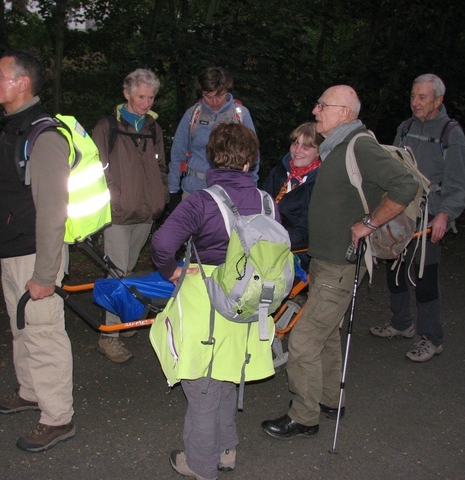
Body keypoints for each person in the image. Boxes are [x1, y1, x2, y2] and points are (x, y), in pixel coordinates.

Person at [261, 85, 419, 439]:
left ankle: (304, 417)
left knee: (302, 341)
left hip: (340, 265)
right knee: (329, 332)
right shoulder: (335, 147)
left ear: (345, 112)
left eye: (323, 105)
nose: (315, 111)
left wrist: (370, 223)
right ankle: (330, 400)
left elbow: (404, 186)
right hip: (324, 260)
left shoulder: (359, 145)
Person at [151, 123, 279, 480]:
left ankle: (201, 465)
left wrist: (173, 272)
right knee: (226, 377)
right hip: (248, 308)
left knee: (203, 389)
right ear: (249, 161)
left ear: (212, 157)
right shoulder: (268, 202)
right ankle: (226, 451)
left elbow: (162, 244)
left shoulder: (201, 201)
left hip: (206, 307)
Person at [0, 50, 75, 452]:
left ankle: (58, 418)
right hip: (13, 253)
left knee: (43, 334)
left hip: (35, 255)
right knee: (23, 329)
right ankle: (30, 391)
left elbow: (53, 212)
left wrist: (44, 275)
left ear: (22, 83)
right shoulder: (14, 129)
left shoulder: (44, 135)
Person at [369, 74, 465, 362]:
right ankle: (401, 323)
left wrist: (444, 215)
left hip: (430, 217)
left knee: (425, 277)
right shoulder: (406, 128)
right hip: (401, 211)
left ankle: (431, 338)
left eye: (422, 97)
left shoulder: (452, 135)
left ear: (438, 100)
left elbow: (459, 185)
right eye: (413, 96)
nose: (415, 102)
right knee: (395, 269)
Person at [91, 68, 169, 363]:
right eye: (141, 96)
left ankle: (124, 320)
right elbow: (96, 169)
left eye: (151, 97)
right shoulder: (107, 126)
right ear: (126, 94)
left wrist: (161, 196)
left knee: (130, 269)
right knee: (117, 273)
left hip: (146, 212)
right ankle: (109, 336)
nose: (147, 103)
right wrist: (115, 199)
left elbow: (161, 166)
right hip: (117, 215)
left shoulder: (153, 127)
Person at [167, 66, 259, 201]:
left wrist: (251, 188)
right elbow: (177, 154)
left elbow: (254, 156)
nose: (214, 102)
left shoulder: (240, 115)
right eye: (208, 96)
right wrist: (173, 189)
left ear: (226, 91)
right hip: (194, 191)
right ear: (202, 93)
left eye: (219, 96)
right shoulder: (193, 115)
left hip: (230, 194)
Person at [262, 122, 323, 270]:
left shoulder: (319, 184)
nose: (297, 151)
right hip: (265, 239)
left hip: (295, 250)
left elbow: (306, 230)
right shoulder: (279, 172)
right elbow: (260, 204)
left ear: (319, 151)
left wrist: (274, 240)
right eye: (295, 144)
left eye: (306, 147)